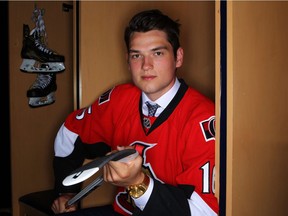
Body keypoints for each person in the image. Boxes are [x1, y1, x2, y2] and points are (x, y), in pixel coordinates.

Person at [51, 9, 218, 216]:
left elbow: (205, 212)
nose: (146, 66)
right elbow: (70, 133)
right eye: (136, 55)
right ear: (128, 61)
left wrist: (138, 183)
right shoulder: (118, 99)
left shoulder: (203, 118)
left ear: (178, 57)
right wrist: (66, 192)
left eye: (158, 53)